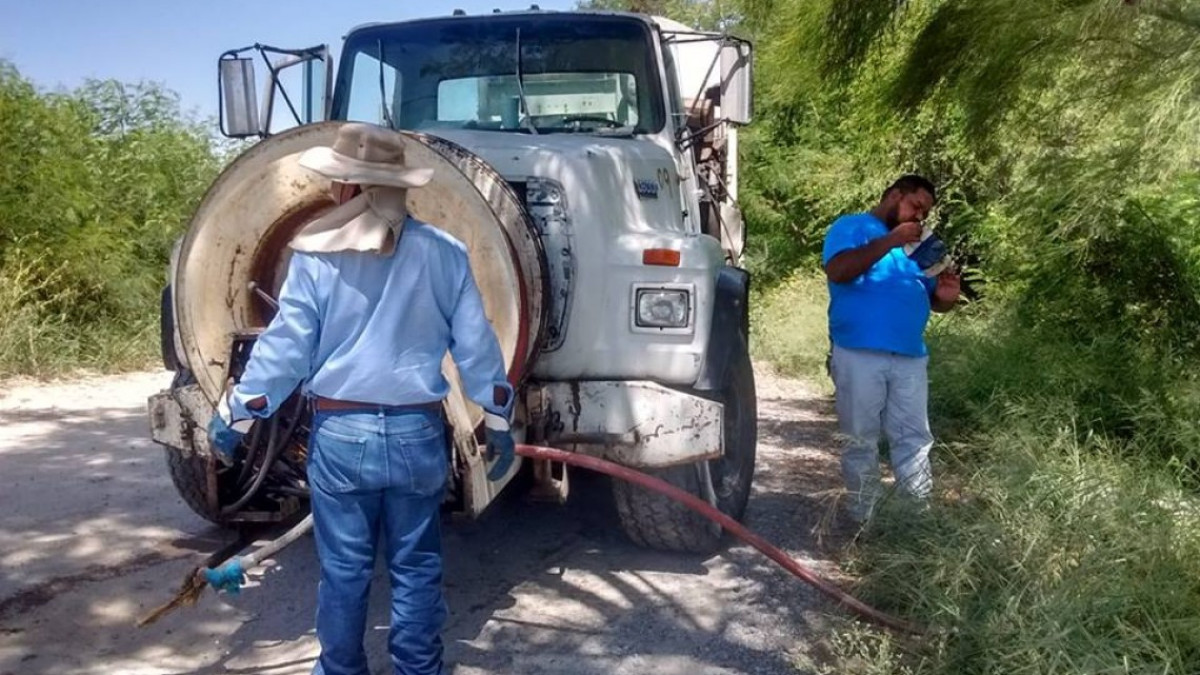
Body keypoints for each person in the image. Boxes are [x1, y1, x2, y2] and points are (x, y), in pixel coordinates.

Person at [206, 122, 515, 675]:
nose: (330, 194)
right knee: (416, 566)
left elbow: (285, 352)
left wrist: (237, 414)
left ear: (352, 188)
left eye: (336, 184)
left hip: (343, 439)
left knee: (345, 570)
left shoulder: (316, 256)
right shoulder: (445, 254)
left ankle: (341, 670)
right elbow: (476, 346)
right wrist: (496, 417)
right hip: (417, 435)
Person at [822, 174, 961, 523]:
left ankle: (914, 521)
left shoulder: (922, 246)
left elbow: (933, 299)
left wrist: (946, 299)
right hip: (858, 352)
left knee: (914, 438)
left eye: (925, 212)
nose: (919, 217)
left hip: (911, 356)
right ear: (895, 195)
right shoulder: (851, 227)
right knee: (861, 438)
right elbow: (838, 270)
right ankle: (864, 518)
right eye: (916, 206)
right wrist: (890, 241)